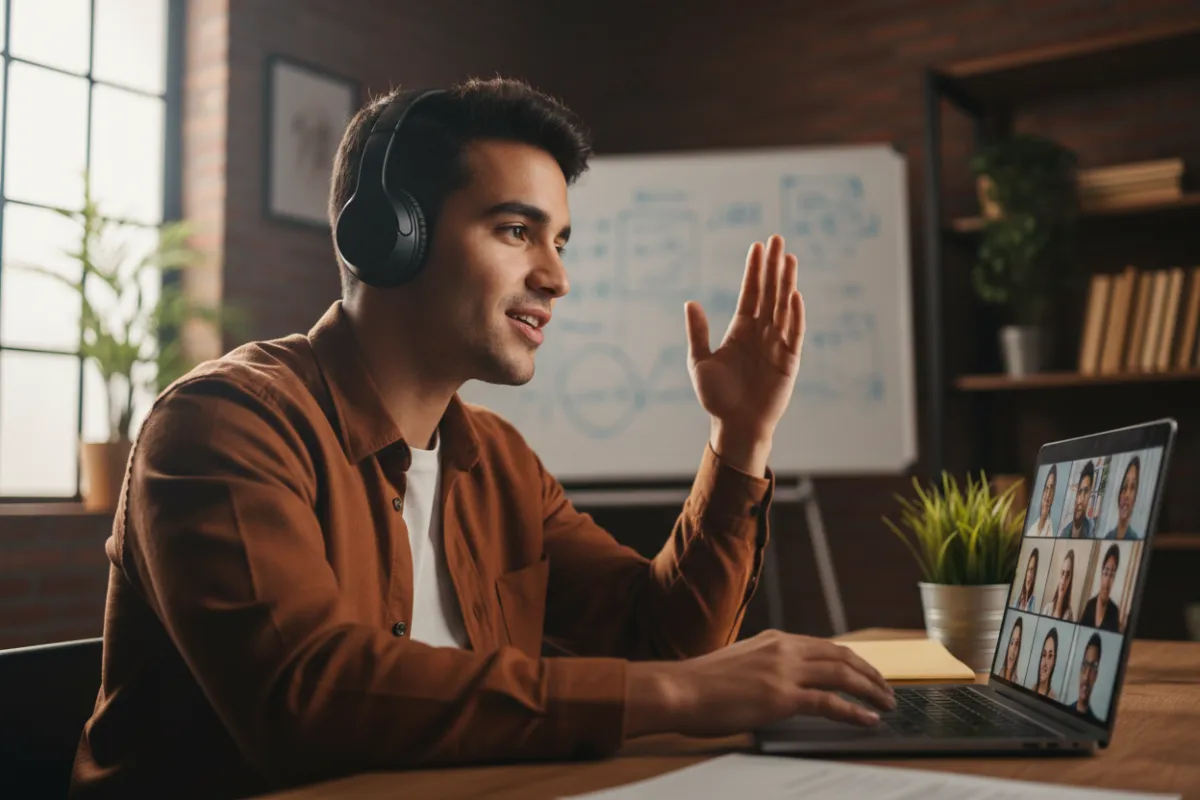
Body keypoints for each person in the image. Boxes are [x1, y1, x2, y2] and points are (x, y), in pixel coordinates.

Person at [68, 79, 895, 799]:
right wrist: (677, 698)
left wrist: (740, 438)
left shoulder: (497, 461)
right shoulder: (224, 426)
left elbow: (659, 637)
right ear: (392, 236)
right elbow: (311, 699)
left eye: (560, 240)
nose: (557, 277)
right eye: (515, 231)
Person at [1080, 545, 1122, 633]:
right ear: (1101, 574)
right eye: (1106, 572)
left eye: (1112, 575)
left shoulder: (1114, 611)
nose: (1107, 581)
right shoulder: (1090, 605)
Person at [1103, 456, 1142, 540]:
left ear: (1135, 499)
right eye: (1125, 486)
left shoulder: (1135, 539)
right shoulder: (1108, 537)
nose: (1127, 495)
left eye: (1132, 488)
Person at [1060, 460, 1096, 538]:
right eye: (1079, 492)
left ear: (1090, 495)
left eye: (1086, 492)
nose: (1081, 500)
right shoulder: (1065, 532)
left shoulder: (1092, 529)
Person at [1073, 633, 1104, 724]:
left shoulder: (1095, 724)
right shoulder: (1063, 711)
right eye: (1085, 665)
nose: (1086, 677)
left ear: (1096, 675)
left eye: (1093, 667)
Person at [1041, 549, 1076, 622]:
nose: (1063, 580)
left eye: (1067, 575)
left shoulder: (1069, 615)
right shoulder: (1047, 609)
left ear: (1070, 581)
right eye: (1062, 573)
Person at [1029, 464, 1058, 537]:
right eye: (1047, 488)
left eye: (1051, 489)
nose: (1048, 495)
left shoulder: (1052, 529)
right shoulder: (1033, 526)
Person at [1032, 628, 1060, 700]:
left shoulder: (1053, 698)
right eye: (1044, 655)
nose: (1045, 663)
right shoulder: (1033, 688)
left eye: (1050, 656)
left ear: (1054, 662)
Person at [1013, 547, 1040, 612]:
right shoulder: (1017, 600)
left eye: (1033, 571)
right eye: (1029, 569)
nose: (1030, 575)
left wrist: (1028, 595)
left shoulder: (1034, 603)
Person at [999, 617, 1024, 682]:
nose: (1013, 650)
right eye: (1011, 642)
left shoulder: (1017, 681)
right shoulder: (999, 674)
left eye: (1017, 644)